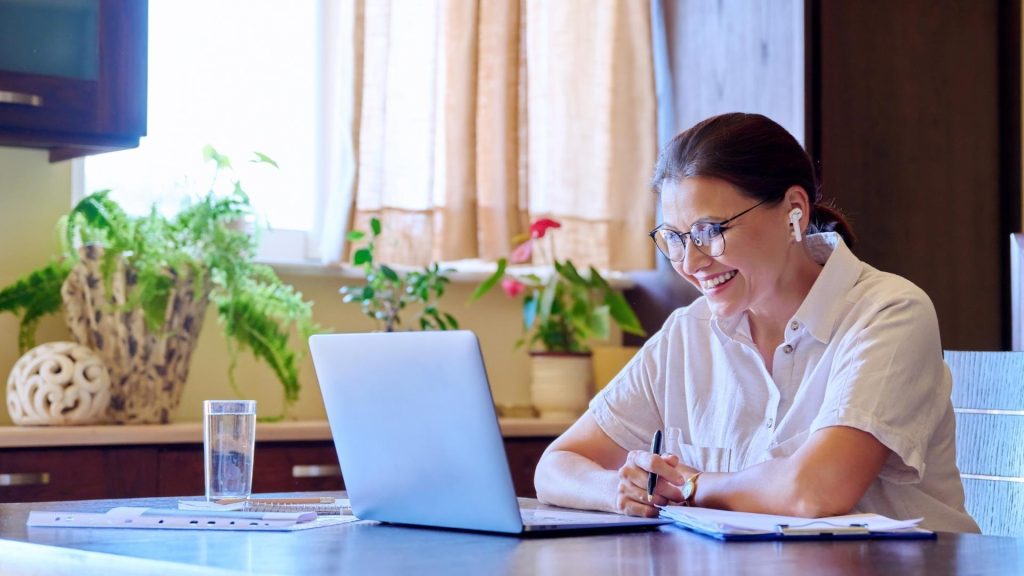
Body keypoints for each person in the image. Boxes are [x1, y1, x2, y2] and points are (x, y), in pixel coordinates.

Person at [533, 112, 979, 533]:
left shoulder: (889, 314)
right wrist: (620, 489)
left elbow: (815, 490)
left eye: (710, 231)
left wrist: (690, 485)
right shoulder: (687, 333)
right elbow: (556, 466)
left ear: (794, 211)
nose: (691, 262)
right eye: (675, 238)